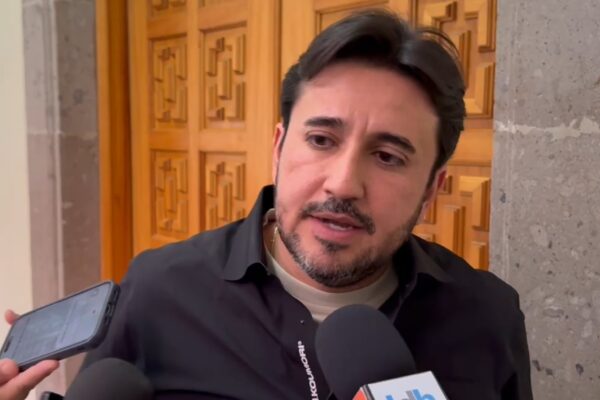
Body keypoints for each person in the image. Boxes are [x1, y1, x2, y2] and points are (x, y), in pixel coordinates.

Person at [1, 9, 533, 400]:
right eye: (321, 140)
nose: (343, 184)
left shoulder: (486, 316)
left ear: (433, 188)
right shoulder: (160, 290)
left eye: (388, 156)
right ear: (279, 147)